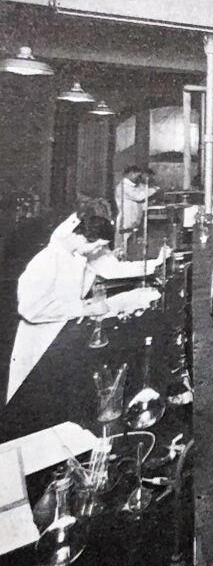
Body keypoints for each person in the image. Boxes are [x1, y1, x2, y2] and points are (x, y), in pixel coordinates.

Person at [7, 216, 165, 402]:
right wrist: (82, 309)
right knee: (31, 398)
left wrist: (84, 306)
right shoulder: (45, 261)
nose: (99, 251)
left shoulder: (75, 255)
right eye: (97, 246)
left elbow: (105, 273)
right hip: (40, 340)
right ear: (82, 238)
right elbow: (30, 310)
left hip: (63, 331)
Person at [114, 165, 158, 250]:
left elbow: (142, 196)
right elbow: (139, 196)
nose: (138, 178)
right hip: (126, 220)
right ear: (131, 174)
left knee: (132, 245)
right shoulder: (123, 187)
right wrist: (154, 190)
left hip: (134, 218)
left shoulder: (134, 186)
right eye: (137, 176)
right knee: (124, 245)